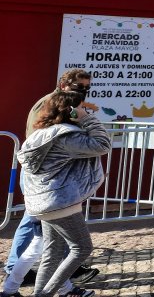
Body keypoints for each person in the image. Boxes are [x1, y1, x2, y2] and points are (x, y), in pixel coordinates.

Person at [4, 69, 99, 292]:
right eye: (79, 87)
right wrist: (86, 121)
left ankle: (57, 285)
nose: (83, 92)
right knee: (41, 235)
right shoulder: (53, 105)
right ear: (64, 84)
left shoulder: (62, 104)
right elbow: (50, 143)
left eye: (87, 88)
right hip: (48, 184)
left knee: (46, 243)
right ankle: (17, 276)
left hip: (48, 184)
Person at [18, 88, 112, 297]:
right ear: (70, 111)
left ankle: (39, 293)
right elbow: (103, 144)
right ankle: (45, 295)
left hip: (45, 201)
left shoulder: (42, 133)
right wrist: (87, 119)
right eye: (80, 107)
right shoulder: (64, 136)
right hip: (59, 201)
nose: (84, 109)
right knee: (82, 248)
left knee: (53, 253)